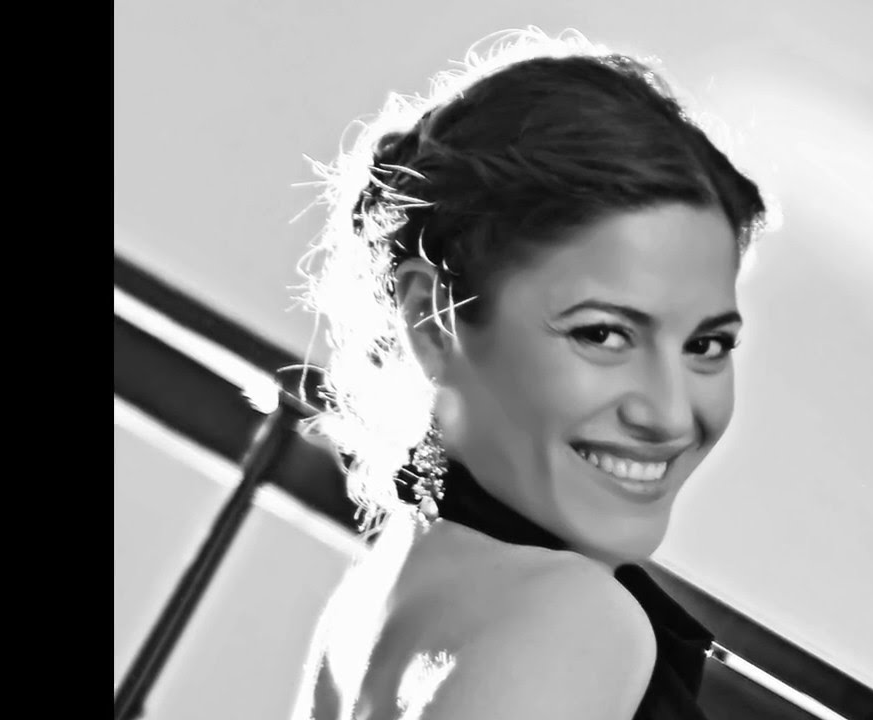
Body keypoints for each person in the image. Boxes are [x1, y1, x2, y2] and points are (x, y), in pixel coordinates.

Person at [290, 27, 768, 720]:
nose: (670, 414)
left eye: (706, 345)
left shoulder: (372, 599)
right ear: (432, 318)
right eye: (602, 334)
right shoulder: (574, 616)